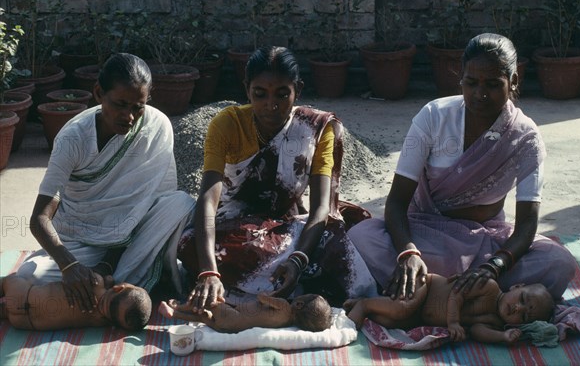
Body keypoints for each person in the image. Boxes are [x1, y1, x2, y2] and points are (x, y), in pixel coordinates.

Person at [347, 33, 576, 301]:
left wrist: (495, 266)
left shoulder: (526, 138)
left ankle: (431, 296)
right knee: (361, 236)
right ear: (461, 80)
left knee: (559, 262)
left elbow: (526, 223)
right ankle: (476, 299)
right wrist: (408, 253)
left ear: (513, 81)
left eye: (492, 84)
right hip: (423, 233)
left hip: (483, 244)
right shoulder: (433, 117)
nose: (480, 94)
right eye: (471, 83)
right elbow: (397, 202)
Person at [178, 46, 376, 310]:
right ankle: (285, 290)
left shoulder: (316, 129)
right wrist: (209, 272)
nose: (271, 105)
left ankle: (259, 290)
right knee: (189, 243)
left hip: (288, 228)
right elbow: (208, 199)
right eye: (260, 94)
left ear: (298, 90)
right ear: (247, 89)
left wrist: (297, 259)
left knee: (334, 234)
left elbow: (320, 208)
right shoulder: (227, 124)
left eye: (282, 95)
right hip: (235, 229)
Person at [18, 53, 195, 313]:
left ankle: (109, 283)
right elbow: (39, 219)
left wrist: (107, 266)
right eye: (120, 104)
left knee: (181, 203)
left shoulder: (156, 126)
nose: (129, 116)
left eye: (138, 107)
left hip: (127, 245)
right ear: (99, 93)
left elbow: (146, 205)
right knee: (31, 276)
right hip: (80, 240)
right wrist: (69, 266)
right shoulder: (72, 138)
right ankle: (125, 288)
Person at [343, 273, 555, 344]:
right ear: (516, 287)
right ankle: (364, 305)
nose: (517, 308)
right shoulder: (489, 286)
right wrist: (453, 322)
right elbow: (456, 294)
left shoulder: (497, 321)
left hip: (421, 317)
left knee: (390, 321)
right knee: (401, 309)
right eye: (522, 298)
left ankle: (367, 303)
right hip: (426, 288)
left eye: (525, 315)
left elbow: (476, 331)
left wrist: (503, 336)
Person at [0, 272, 152, 331]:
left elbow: (105, 277)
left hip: (23, 294)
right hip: (24, 323)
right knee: (6, 311)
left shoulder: (96, 282)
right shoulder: (100, 322)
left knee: (10, 280)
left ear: (119, 288)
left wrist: (109, 279)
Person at [159, 292, 332, 333]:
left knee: (210, 302)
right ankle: (173, 315)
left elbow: (262, 298)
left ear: (299, 304)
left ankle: (179, 307)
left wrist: (270, 294)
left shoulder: (284, 305)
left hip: (232, 316)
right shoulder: (286, 323)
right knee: (202, 317)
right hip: (228, 328)